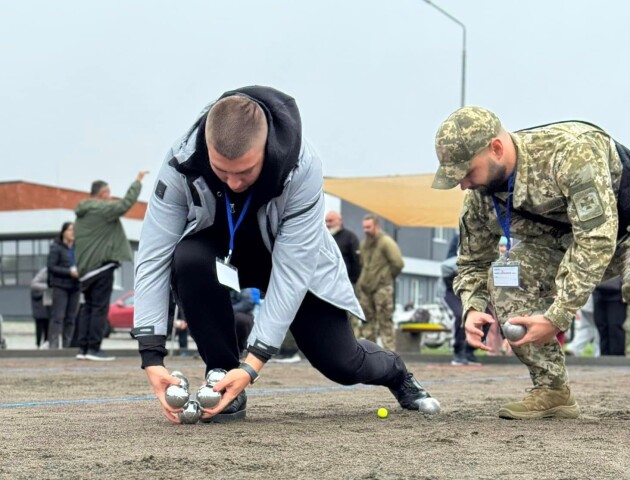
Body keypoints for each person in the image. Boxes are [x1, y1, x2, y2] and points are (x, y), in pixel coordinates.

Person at [133, 86, 436, 424]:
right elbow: (152, 256)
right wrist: (152, 355)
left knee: (341, 363)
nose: (233, 183)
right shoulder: (181, 161)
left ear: (266, 148)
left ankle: (396, 373)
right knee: (186, 258)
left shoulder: (303, 168)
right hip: (219, 255)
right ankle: (221, 376)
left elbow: (291, 274)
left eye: (245, 172)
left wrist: (253, 364)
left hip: (289, 262)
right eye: (222, 172)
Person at [431, 105, 629, 419]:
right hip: (562, 247)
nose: (464, 185)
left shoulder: (570, 152)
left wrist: (558, 315)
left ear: (496, 148)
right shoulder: (481, 197)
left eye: (467, 172)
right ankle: (552, 390)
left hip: (620, 235)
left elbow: (596, 238)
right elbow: (472, 261)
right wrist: (472, 307)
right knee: (506, 277)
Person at [74, 173, 147, 361]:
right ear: (103, 193)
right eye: (109, 193)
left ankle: (83, 349)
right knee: (99, 309)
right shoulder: (101, 209)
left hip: (86, 271)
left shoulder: (82, 213)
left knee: (88, 309)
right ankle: (94, 349)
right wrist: (137, 182)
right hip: (101, 268)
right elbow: (125, 204)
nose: (110, 196)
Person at [355, 214, 404, 351]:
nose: (365, 230)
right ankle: (371, 354)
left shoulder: (386, 242)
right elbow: (363, 264)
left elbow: (398, 263)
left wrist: (386, 278)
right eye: (364, 227)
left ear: (377, 226)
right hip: (366, 289)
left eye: (368, 227)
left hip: (382, 288)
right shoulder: (364, 244)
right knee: (367, 323)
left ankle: (391, 355)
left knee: (385, 322)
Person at [440, 234, 481, 366]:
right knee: (460, 315)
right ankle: (458, 351)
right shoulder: (458, 237)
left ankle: (470, 351)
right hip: (452, 290)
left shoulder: (482, 242)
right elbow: (446, 266)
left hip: (471, 291)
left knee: (487, 317)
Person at [47, 222, 80, 349]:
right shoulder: (56, 247)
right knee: (58, 317)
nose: (72, 232)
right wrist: (69, 272)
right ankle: (54, 346)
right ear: (64, 232)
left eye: (74, 230)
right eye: (70, 229)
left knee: (71, 318)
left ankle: (68, 346)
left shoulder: (77, 248)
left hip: (75, 287)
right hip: (60, 286)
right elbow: (51, 267)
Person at [325, 211, 361, 285]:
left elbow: (356, 261)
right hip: (327, 282)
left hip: (345, 282)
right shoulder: (324, 238)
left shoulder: (350, 237)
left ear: (339, 220)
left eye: (330, 221)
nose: (328, 224)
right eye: (326, 221)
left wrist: (352, 281)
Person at [592, 277, 626, 355]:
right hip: (598, 293)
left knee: (615, 327)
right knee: (601, 327)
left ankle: (617, 359)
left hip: (617, 293)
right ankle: (604, 358)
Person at [30, 267, 52, 349]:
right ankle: (39, 343)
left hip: (43, 312)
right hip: (41, 312)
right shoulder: (37, 287)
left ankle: (42, 343)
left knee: (45, 328)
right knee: (41, 329)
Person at [231, 288, 255, 357]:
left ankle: (241, 349)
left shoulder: (242, 288)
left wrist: (227, 309)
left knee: (241, 320)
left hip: (240, 315)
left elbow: (247, 303)